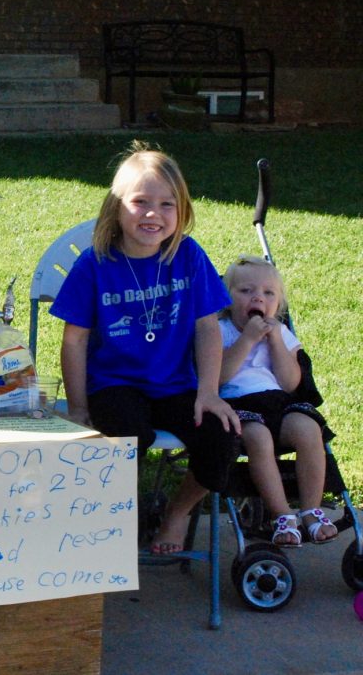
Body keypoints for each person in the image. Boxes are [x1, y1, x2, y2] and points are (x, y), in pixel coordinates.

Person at [49, 142, 241, 555]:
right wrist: (78, 407)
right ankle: (120, 516)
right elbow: (74, 339)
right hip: (114, 384)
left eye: (167, 204)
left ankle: (177, 513)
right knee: (125, 435)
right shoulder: (95, 264)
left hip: (176, 385)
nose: (153, 214)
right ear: (116, 207)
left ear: (182, 211)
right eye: (140, 202)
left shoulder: (188, 256)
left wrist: (208, 392)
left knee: (222, 437)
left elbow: (208, 328)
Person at [219, 255, 337, 546]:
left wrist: (274, 342)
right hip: (238, 406)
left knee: (309, 429)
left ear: (278, 304)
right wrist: (246, 340)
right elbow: (218, 377)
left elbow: (290, 383)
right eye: (246, 291)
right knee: (259, 438)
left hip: (278, 402)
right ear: (227, 297)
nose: (257, 297)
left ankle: (311, 508)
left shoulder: (280, 334)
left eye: (268, 293)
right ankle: (283, 514)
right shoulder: (220, 330)